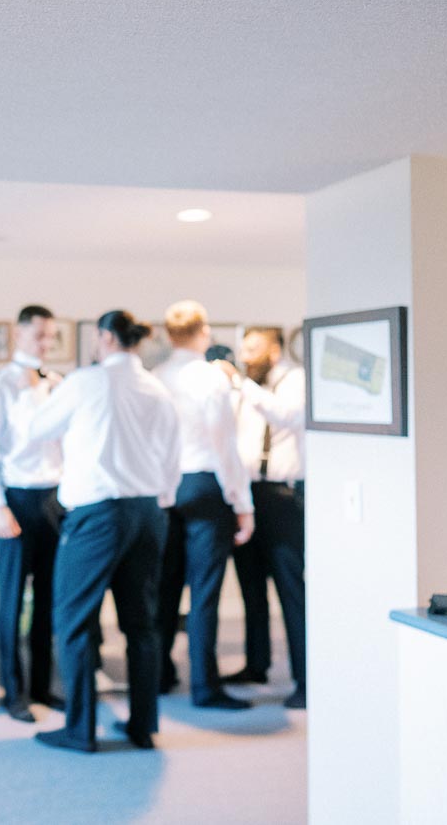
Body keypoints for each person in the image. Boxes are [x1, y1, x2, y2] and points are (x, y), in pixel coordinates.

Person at [12, 310, 180, 752]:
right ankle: (144, 726)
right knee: (141, 623)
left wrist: (33, 395)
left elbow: (33, 429)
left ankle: (79, 729)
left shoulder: (87, 381)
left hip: (98, 515)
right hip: (149, 513)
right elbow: (171, 460)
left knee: (73, 620)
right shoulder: (158, 389)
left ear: (104, 337)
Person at [154, 300, 255, 710]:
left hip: (165, 489)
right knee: (205, 592)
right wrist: (243, 503)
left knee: (164, 589)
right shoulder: (212, 379)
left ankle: (159, 673)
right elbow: (225, 447)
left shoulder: (156, 377)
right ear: (203, 332)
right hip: (203, 484)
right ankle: (205, 686)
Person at [0, 304, 65, 722]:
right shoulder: (0, 386)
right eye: (40, 335)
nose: (46, 343)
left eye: (50, 337)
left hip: (55, 502)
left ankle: (44, 686)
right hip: (15, 500)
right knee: (12, 600)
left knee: (49, 599)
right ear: (20, 334)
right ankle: (15, 691)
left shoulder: (60, 384)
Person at [215, 326, 308, 710]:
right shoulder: (243, 388)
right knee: (250, 586)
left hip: (281, 496)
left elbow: (286, 416)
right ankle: (257, 664)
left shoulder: (294, 380)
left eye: (252, 348)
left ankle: (306, 678)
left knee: (291, 590)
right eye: (243, 349)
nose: (245, 354)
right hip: (246, 495)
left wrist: (240, 384)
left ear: (274, 349)